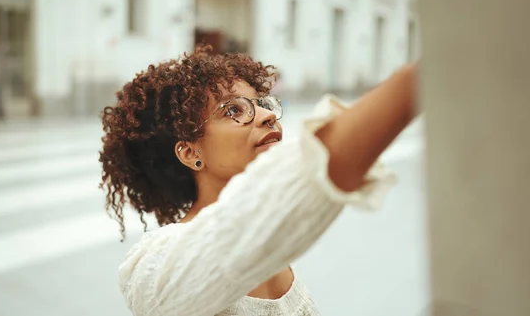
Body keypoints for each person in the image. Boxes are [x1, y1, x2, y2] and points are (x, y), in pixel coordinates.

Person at [99, 45, 417, 315]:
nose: (267, 116)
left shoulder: (273, 245)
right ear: (189, 152)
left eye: (262, 104)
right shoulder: (151, 270)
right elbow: (311, 172)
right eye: (232, 110)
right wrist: (419, 78)